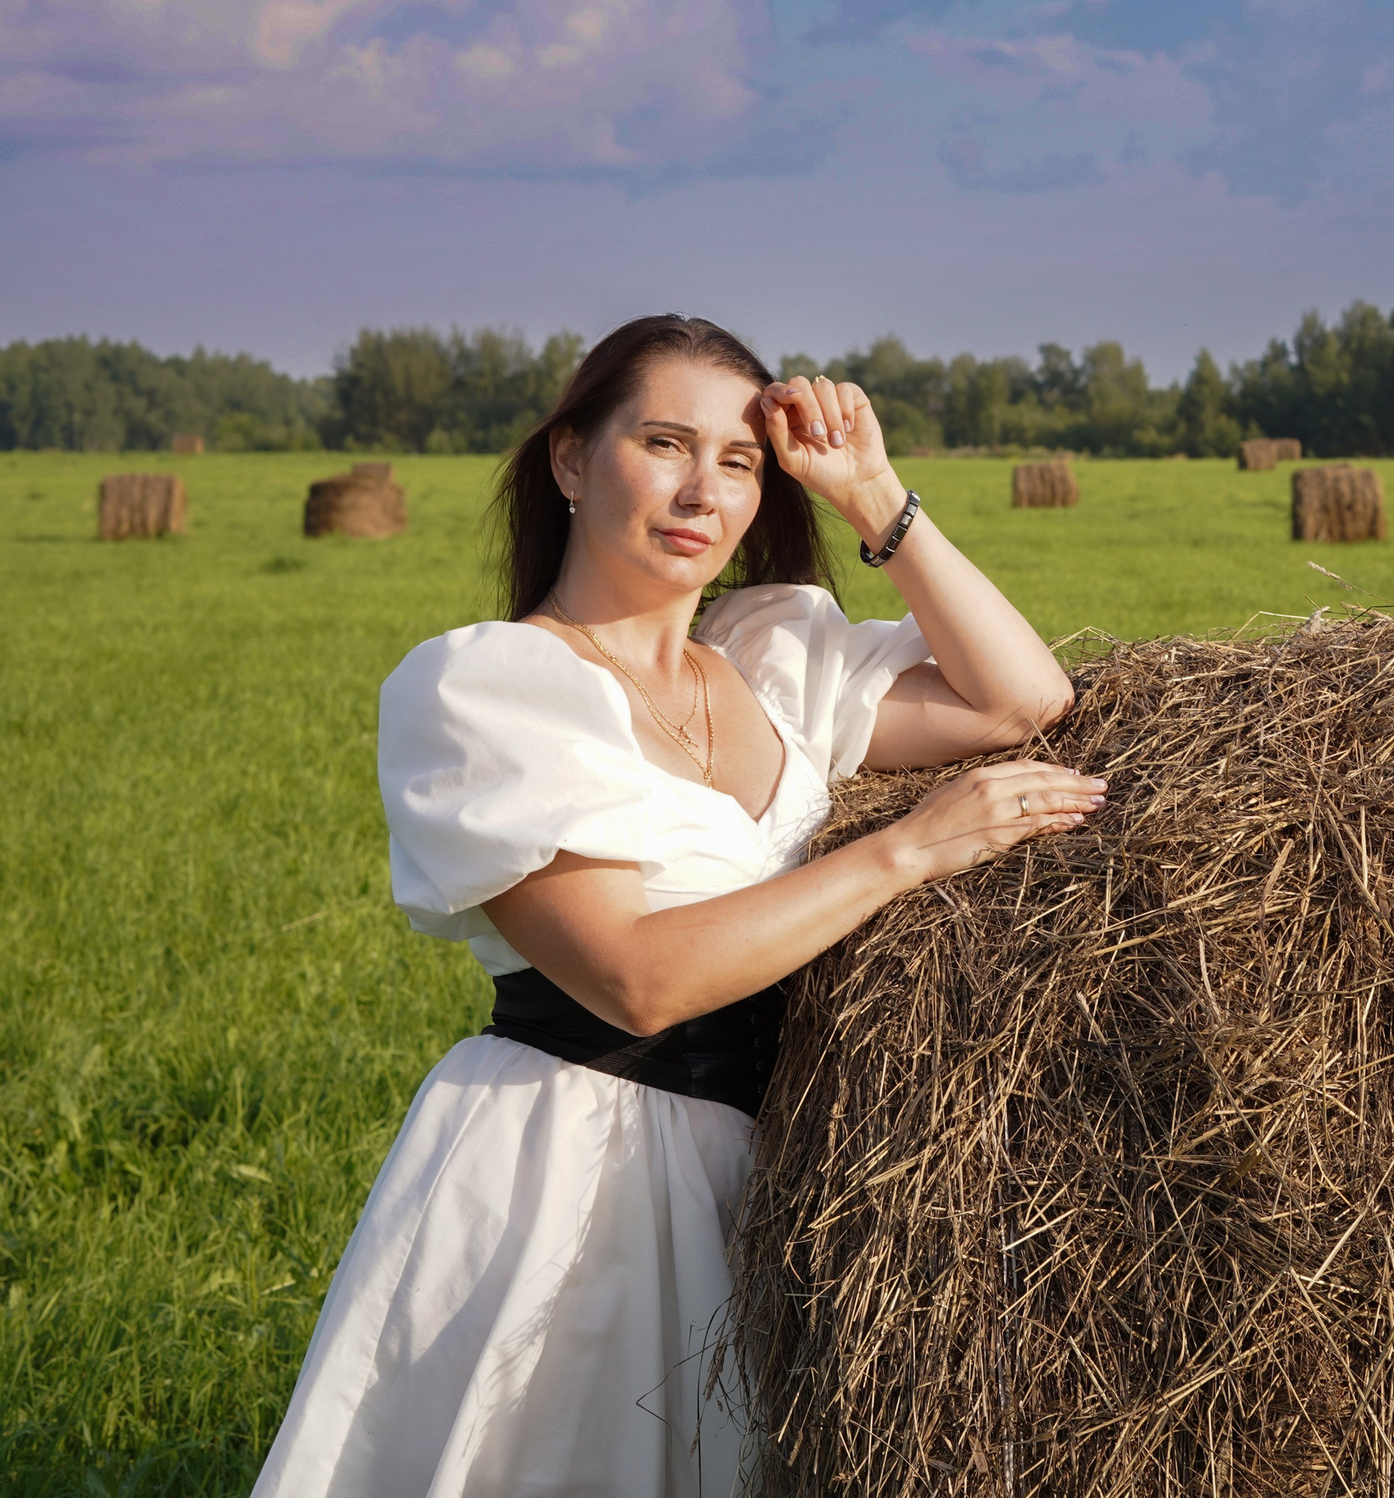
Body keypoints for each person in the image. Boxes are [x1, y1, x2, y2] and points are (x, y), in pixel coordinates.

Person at [251, 315, 1102, 1497]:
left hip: (771, 1164)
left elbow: (1023, 700)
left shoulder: (765, 659)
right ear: (568, 460)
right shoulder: (492, 685)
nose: (702, 489)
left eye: (740, 462)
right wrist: (906, 852)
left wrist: (875, 498)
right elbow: (632, 977)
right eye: (662, 443)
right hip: (575, 1168)